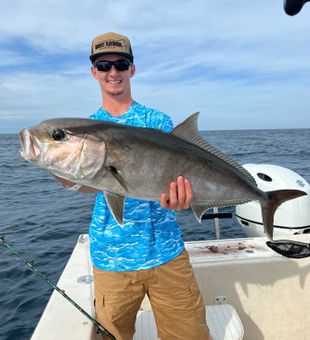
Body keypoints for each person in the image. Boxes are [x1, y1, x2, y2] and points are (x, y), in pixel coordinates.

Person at [56, 32, 209, 340]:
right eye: (104, 65)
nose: (113, 72)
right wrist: (60, 170)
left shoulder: (157, 121)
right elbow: (89, 183)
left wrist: (185, 199)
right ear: (94, 72)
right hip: (112, 256)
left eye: (120, 64)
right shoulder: (86, 127)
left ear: (132, 70)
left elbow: (180, 178)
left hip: (166, 249)